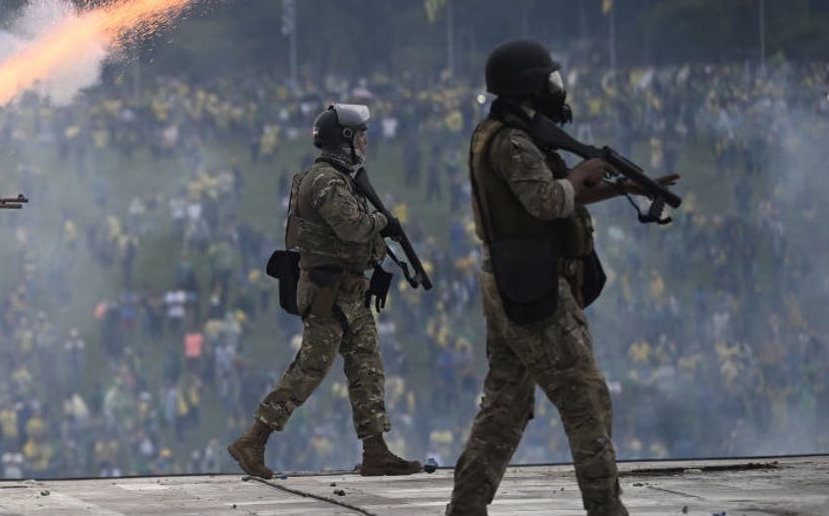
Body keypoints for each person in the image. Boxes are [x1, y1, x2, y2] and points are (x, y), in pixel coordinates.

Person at [448, 39, 677, 516]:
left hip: (513, 278)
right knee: (585, 400)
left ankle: (466, 508)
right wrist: (581, 175)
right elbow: (548, 201)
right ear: (529, 86)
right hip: (533, 285)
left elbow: (549, 198)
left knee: (505, 407)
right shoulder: (512, 141)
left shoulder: (509, 133)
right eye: (547, 78)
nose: (556, 87)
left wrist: (618, 188)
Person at [227, 104, 424, 479]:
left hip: (347, 292)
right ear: (345, 140)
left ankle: (375, 450)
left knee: (367, 367)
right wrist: (383, 220)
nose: (366, 139)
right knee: (310, 369)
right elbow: (352, 227)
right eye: (360, 133)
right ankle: (253, 439)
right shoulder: (326, 182)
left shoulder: (337, 178)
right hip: (327, 293)